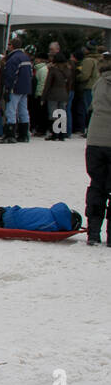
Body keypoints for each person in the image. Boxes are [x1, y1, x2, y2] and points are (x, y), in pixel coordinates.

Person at [84, 53, 111, 245]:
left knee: (97, 185)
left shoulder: (99, 83)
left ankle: (93, 232)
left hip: (95, 140)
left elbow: (93, 106)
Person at [0, 38, 33, 144]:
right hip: (25, 88)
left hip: (15, 88)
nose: (8, 46)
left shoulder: (13, 59)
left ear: (12, 46)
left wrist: (8, 88)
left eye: (9, 44)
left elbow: (10, 75)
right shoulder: (25, 57)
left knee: (11, 111)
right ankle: (24, 134)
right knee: (23, 111)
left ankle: (10, 134)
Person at [42, 52, 73, 141]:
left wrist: (43, 97)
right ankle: (62, 134)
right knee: (62, 114)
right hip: (64, 94)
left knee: (53, 114)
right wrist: (67, 95)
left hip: (53, 94)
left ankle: (54, 134)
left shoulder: (53, 70)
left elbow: (47, 84)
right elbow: (69, 84)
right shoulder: (68, 70)